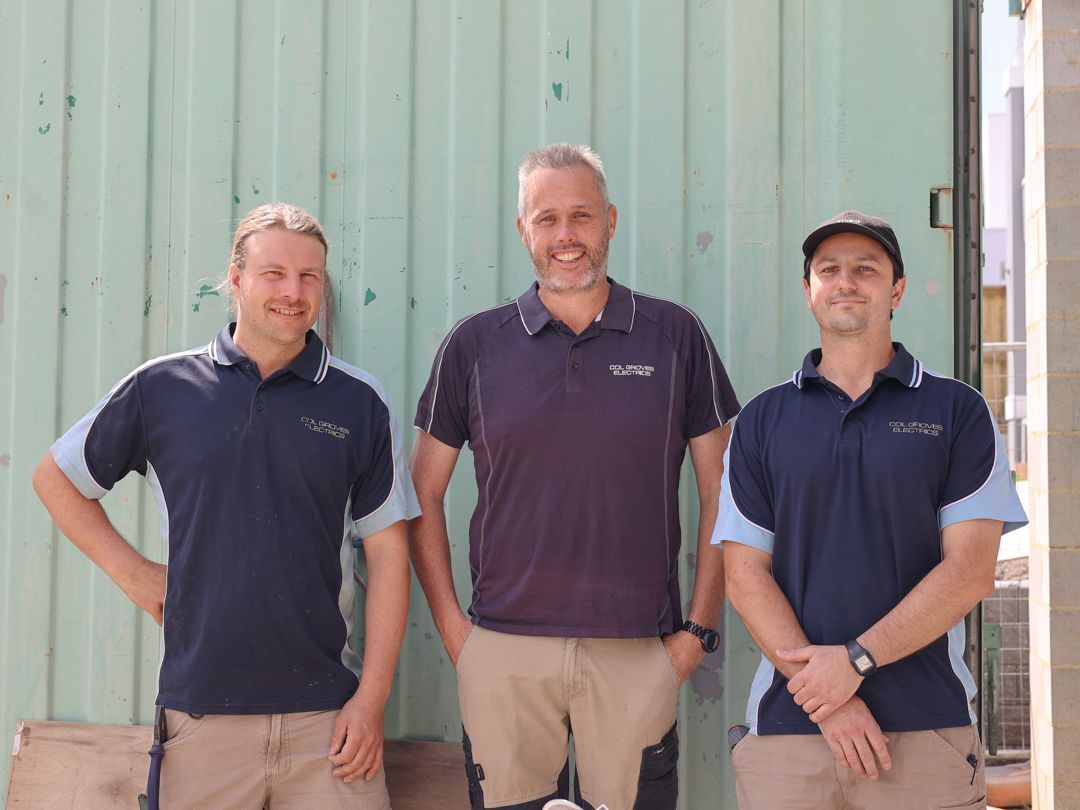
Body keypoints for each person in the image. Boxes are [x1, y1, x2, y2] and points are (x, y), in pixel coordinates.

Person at [32, 202, 418, 809]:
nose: (293, 291)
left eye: (309, 276)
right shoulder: (162, 388)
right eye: (274, 273)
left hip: (330, 724)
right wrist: (134, 574)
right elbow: (56, 477)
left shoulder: (360, 403)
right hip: (201, 718)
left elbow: (391, 556)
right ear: (236, 279)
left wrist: (370, 702)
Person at [410, 143, 741, 810]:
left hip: (635, 650)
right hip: (502, 651)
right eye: (547, 218)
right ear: (523, 229)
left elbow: (723, 492)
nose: (566, 237)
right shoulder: (473, 345)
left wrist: (696, 633)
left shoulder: (675, 336)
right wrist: (457, 635)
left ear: (611, 221)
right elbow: (421, 493)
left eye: (582, 216)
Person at [716, 210, 1027, 809]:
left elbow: (969, 570)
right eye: (828, 269)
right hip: (789, 734)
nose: (846, 281)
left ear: (897, 290)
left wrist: (855, 663)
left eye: (866, 268)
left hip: (924, 729)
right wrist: (828, 698)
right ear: (809, 290)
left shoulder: (957, 412)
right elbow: (744, 573)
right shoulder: (762, 420)